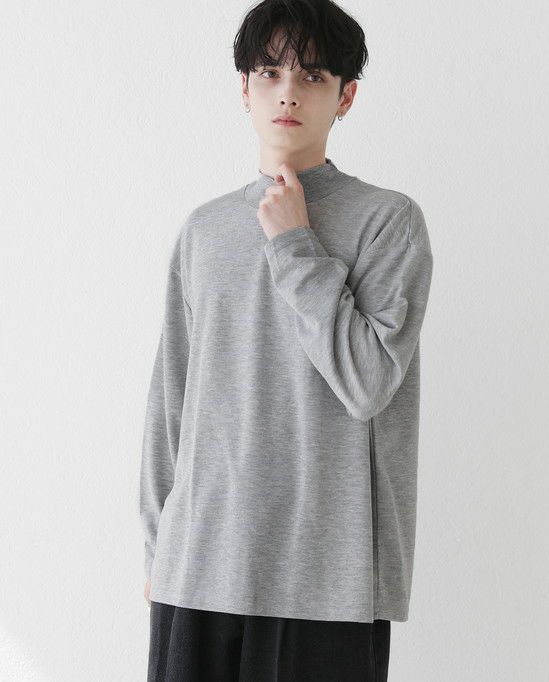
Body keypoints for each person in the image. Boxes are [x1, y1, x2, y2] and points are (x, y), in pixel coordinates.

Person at [139, 1, 433, 679]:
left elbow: (367, 383)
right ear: (244, 88)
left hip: (325, 582)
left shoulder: (387, 222)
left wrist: (295, 244)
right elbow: (170, 403)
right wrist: (160, 550)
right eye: (270, 72)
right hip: (197, 568)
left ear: (346, 96)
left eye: (313, 76)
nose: (288, 92)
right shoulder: (204, 230)